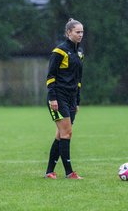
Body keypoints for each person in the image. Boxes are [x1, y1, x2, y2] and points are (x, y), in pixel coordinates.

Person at [44, 18, 84, 179]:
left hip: (71, 98)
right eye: (77, 32)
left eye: (82, 32)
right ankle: (69, 172)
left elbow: (78, 80)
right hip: (58, 97)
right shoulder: (59, 52)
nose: (80, 35)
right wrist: (53, 98)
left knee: (61, 135)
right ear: (68, 33)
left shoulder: (79, 53)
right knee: (67, 133)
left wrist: (78, 100)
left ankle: (49, 172)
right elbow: (50, 76)